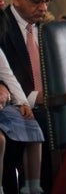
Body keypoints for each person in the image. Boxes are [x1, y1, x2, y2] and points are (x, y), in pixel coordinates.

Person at [0, 0, 52, 193]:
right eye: (36, 1)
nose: (43, 8)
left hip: (51, 105)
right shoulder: (2, 26)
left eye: (48, 1)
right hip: (13, 106)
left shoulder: (49, 32)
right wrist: (29, 99)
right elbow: (4, 75)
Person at [0, 49, 44, 194]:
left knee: (31, 126)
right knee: (0, 140)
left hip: (4, 102)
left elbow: (8, 75)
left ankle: (33, 187)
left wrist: (23, 103)